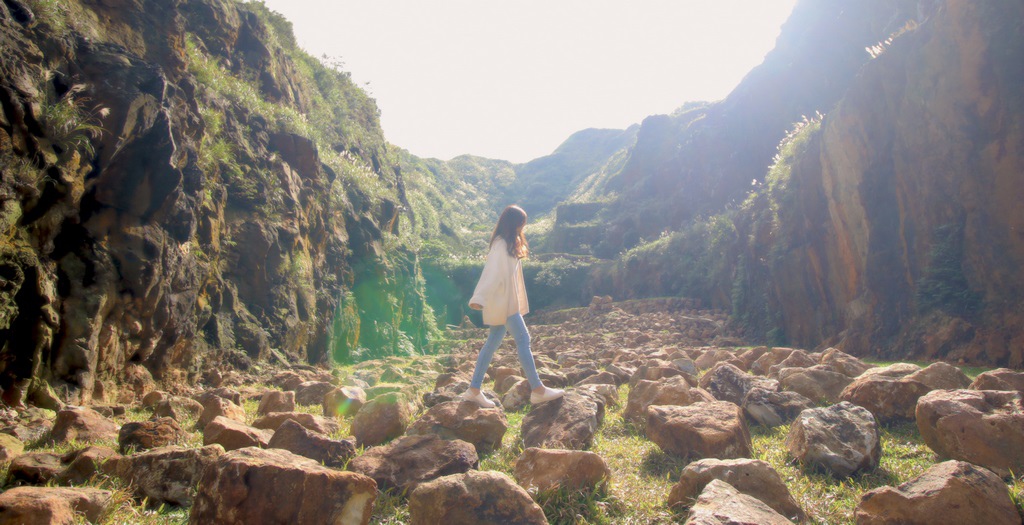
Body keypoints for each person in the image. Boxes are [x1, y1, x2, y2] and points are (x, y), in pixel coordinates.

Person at [462, 205, 565, 408]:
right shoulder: (501, 245)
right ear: (513, 223)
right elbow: (491, 273)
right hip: (502, 302)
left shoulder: (508, 243)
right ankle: (538, 390)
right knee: (523, 339)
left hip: (505, 301)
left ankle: (473, 390)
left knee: (492, 343)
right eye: (521, 223)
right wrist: (479, 297)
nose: (522, 227)